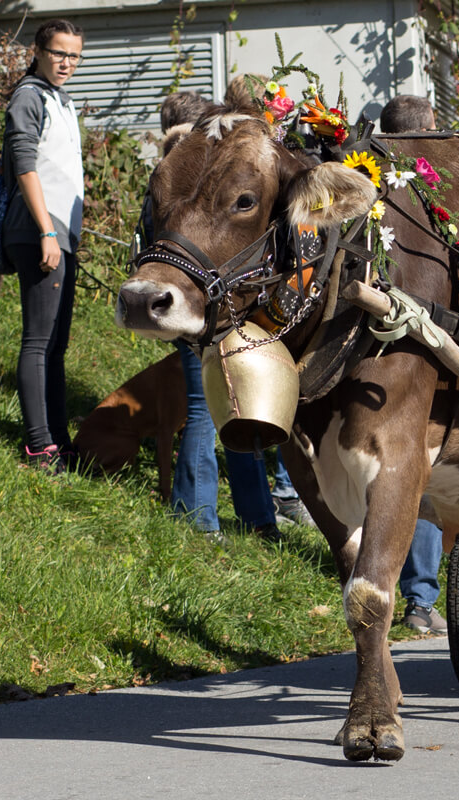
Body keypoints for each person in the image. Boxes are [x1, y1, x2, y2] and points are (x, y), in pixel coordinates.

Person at [138, 90, 285, 544]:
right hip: (213, 296)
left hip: (201, 295)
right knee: (227, 405)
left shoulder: (175, 172)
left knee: (221, 404)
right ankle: (223, 517)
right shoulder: (198, 173)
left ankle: (216, 514)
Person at [2, 19, 86, 473]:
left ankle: (58, 439)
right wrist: (47, 232)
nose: (66, 62)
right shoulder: (29, 96)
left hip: (58, 234)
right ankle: (38, 447)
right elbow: (25, 164)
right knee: (38, 341)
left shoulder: (62, 99)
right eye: (58, 53)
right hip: (37, 231)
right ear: (37, 51)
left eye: (74, 55)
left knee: (56, 345)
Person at [380, 95, 446, 634]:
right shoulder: (431, 187)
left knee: (407, 465)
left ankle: (415, 597)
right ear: (429, 130)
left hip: (378, 345)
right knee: (420, 466)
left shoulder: (367, 182)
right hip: (432, 343)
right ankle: (421, 598)